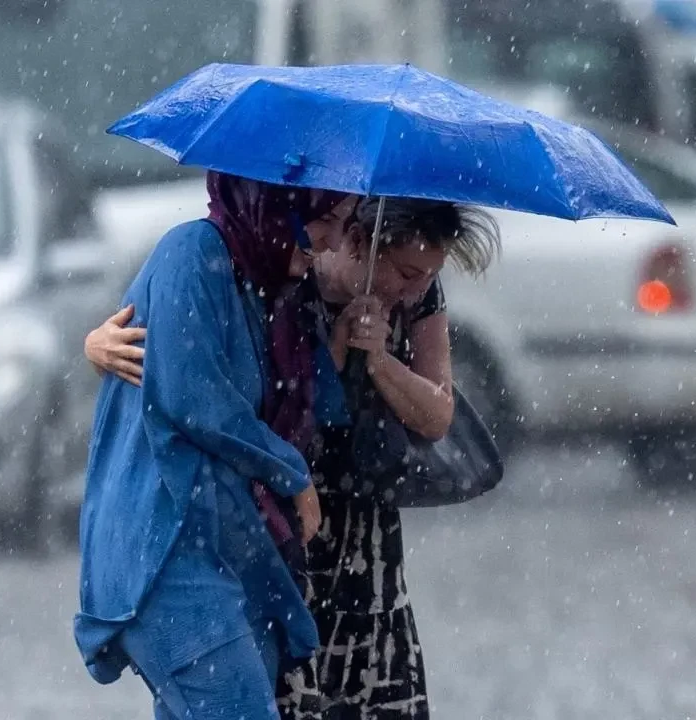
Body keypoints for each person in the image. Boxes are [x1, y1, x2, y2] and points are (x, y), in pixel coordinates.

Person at [85, 196, 500, 719]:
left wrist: (381, 362)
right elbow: (200, 375)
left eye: (426, 276)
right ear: (359, 242)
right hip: (279, 522)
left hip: (360, 529)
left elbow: (437, 416)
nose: (413, 288)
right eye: (406, 272)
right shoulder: (284, 266)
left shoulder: (413, 296)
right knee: (271, 699)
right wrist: (96, 348)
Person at [75, 169, 359, 720]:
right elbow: (193, 396)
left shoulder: (268, 287)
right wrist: (290, 472)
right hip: (167, 557)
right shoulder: (192, 253)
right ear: (279, 205)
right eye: (325, 220)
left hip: (229, 554)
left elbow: (322, 404)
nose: (331, 241)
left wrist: (356, 328)